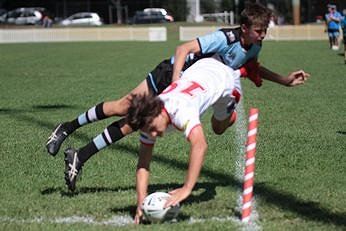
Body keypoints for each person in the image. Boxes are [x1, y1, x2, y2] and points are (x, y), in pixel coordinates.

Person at [46, 2, 309, 192]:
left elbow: (253, 67)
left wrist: (285, 80)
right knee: (122, 107)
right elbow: (183, 48)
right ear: (244, 28)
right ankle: (67, 129)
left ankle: (79, 156)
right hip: (173, 75)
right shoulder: (224, 38)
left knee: (131, 124)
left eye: (265, 31)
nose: (263, 36)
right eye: (259, 31)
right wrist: (175, 85)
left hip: (188, 83)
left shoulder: (254, 46)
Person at [127, 57, 245, 224]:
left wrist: (187, 188)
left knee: (218, 128)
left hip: (224, 80)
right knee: (214, 125)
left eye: (153, 128)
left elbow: (200, 145)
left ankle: (239, 75)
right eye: (149, 131)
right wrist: (141, 202)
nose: (152, 134)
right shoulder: (147, 121)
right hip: (199, 70)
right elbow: (143, 165)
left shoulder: (181, 109)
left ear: (159, 111)